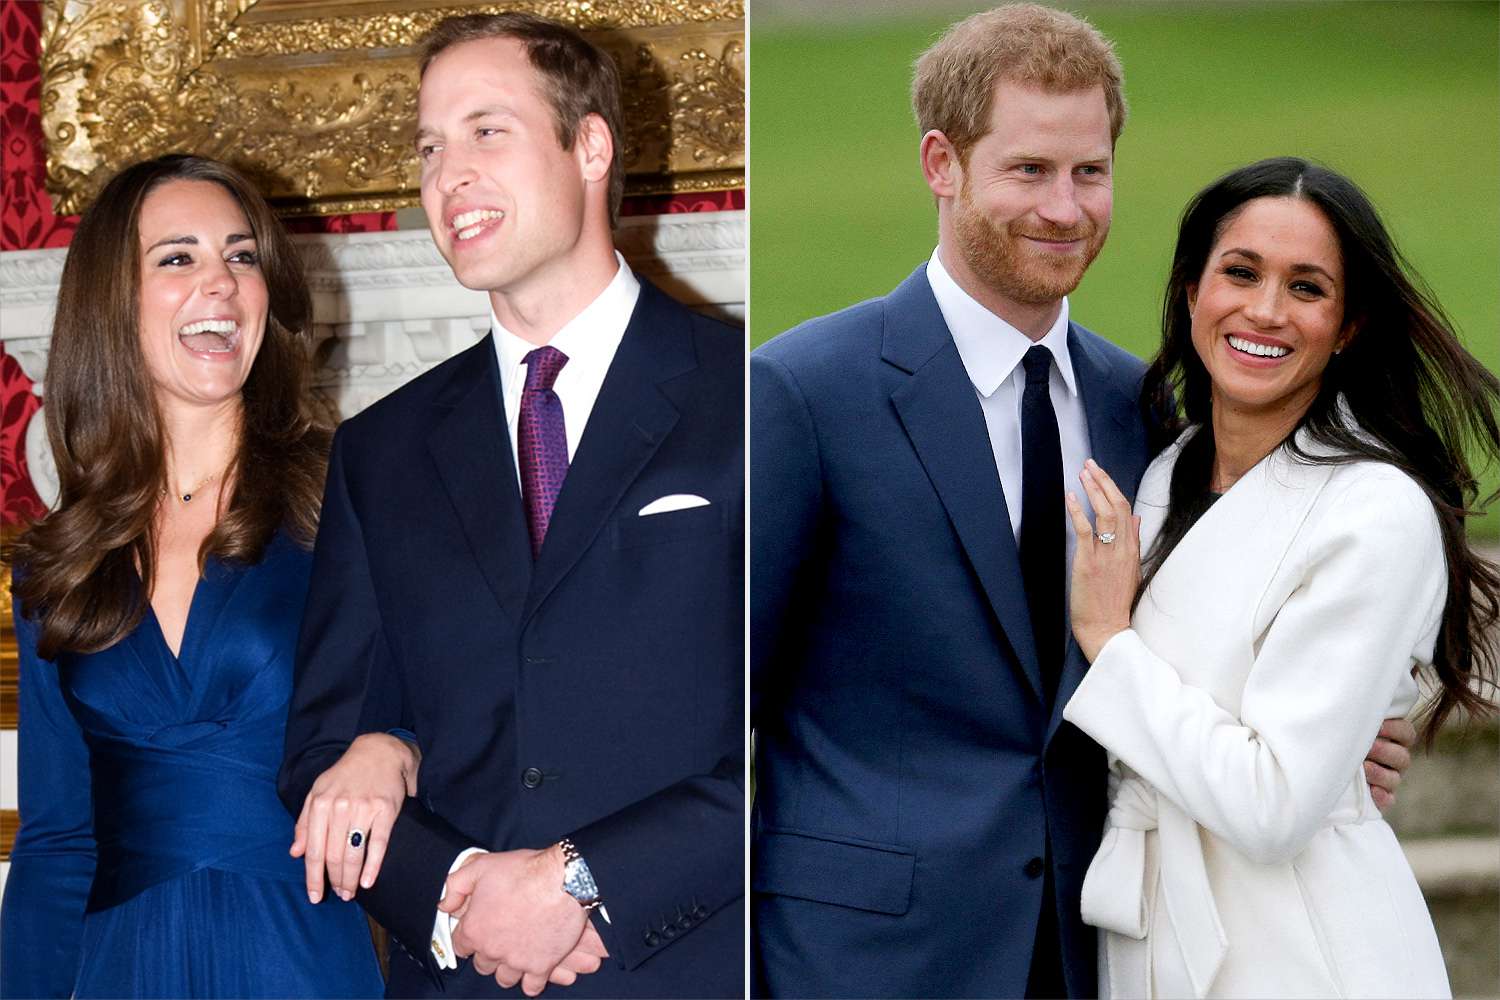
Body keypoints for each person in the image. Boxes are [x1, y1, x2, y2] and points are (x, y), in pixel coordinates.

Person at [750, 7, 1414, 998]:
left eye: (1089, 172)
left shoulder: (1145, 407)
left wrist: (1337, 729)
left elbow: (1197, 648)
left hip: (1092, 945)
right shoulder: (803, 390)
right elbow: (717, 700)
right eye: (1028, 170)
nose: (1064, 208)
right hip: (863, 958)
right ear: (943, 163)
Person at [276, 12, 744, 999]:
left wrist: (586, 882)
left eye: (488, 131)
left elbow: (824, 733)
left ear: (591, 145)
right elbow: (324, 748)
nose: (449, 177)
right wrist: (452, 891)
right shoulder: (381, 449)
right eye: (431, 147)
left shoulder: (756, 396)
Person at [1061, 157, 1500, 999]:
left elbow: (1271, 806)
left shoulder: (1373, 514)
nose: (1265, 310)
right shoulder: (1159, 476)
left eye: (1307, 288)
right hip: (1146, 939)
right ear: (1192, 291)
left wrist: (1109, 643)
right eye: (1240, 272)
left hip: (1306, 950)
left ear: (1348, 325)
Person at [0, 154, 386, 998]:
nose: (221, 282)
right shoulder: (56, 563)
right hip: (120, 968)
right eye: (178, 257)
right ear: (114, 302)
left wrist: (395, 749)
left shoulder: (351, 500)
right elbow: (57, 841)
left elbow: (458, 713)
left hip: (301, 959)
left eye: (241, 257)